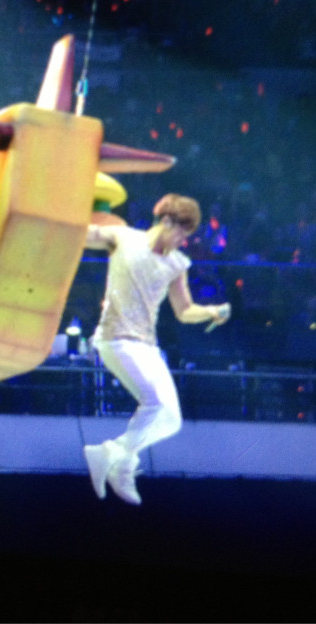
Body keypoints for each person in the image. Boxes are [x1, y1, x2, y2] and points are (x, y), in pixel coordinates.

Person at [83, 193, 231, 505]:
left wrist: (210, 311)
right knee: (153, 402)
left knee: (171, 419)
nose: (182, 241)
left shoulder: (177, 263)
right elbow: (84, 235)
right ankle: (118, 461)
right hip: (115, 338)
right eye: (181, 233)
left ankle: (113, 456)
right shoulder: (123, 238)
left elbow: (184, 310)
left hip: (146, 346)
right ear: (165, 221)